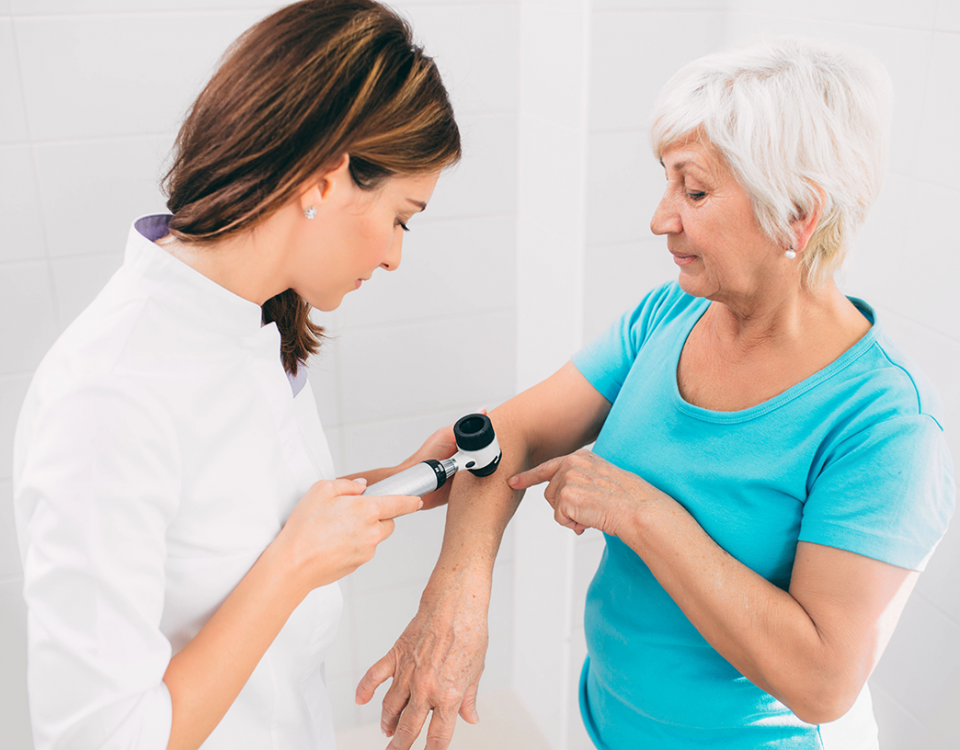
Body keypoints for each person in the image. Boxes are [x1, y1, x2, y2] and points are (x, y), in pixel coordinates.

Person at [356, 37, 956, 749]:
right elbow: (507, 435)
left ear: (798, 212)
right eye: (667, 183)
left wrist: (643, 513)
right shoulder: (666, 317)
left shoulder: (882, 426)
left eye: (694, 190)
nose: (660, 218)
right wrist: (457, 598)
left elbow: (822, 682)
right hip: (611, 722)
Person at [12, 2, 461, 749]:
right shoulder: (107, 398)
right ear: (325, 183)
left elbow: (227, 525)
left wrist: (406, 482)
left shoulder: (248, 322)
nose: (393, 256)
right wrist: (293, 566)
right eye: (401, 217)